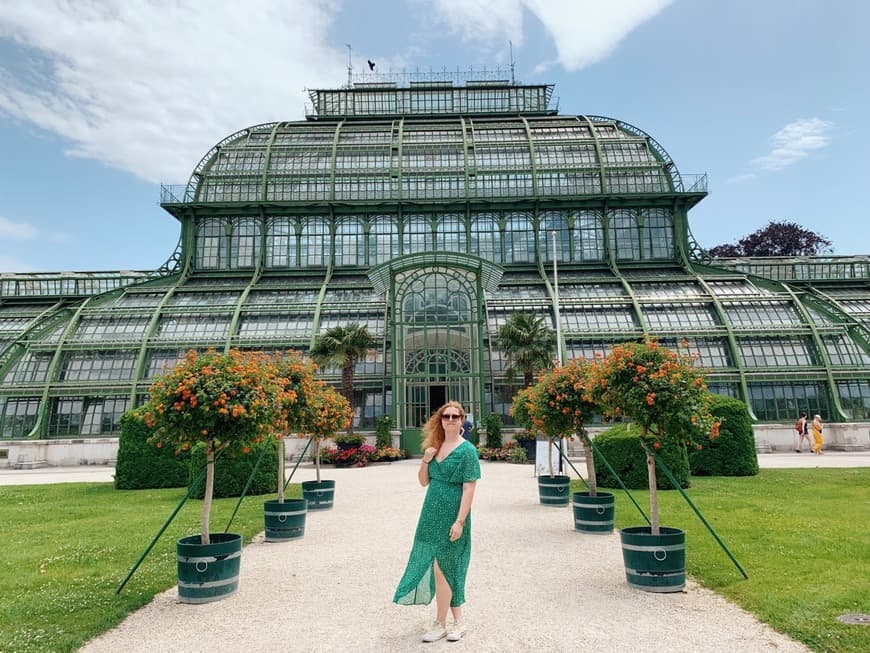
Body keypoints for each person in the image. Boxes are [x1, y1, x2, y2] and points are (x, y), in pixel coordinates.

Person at [394, 401, 481, 643]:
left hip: (453, 516)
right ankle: (456, 621)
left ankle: (441, 622)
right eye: (446, 416)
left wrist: (460, 521)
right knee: (440, 568)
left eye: (455, 416)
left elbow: (469, 489)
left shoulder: (467, 451)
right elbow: (423, 482)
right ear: (440, 420)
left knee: (445, 568)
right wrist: (425, 459)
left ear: (462, 420)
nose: (450, 420)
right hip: (430, 514)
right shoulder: (436, 446)